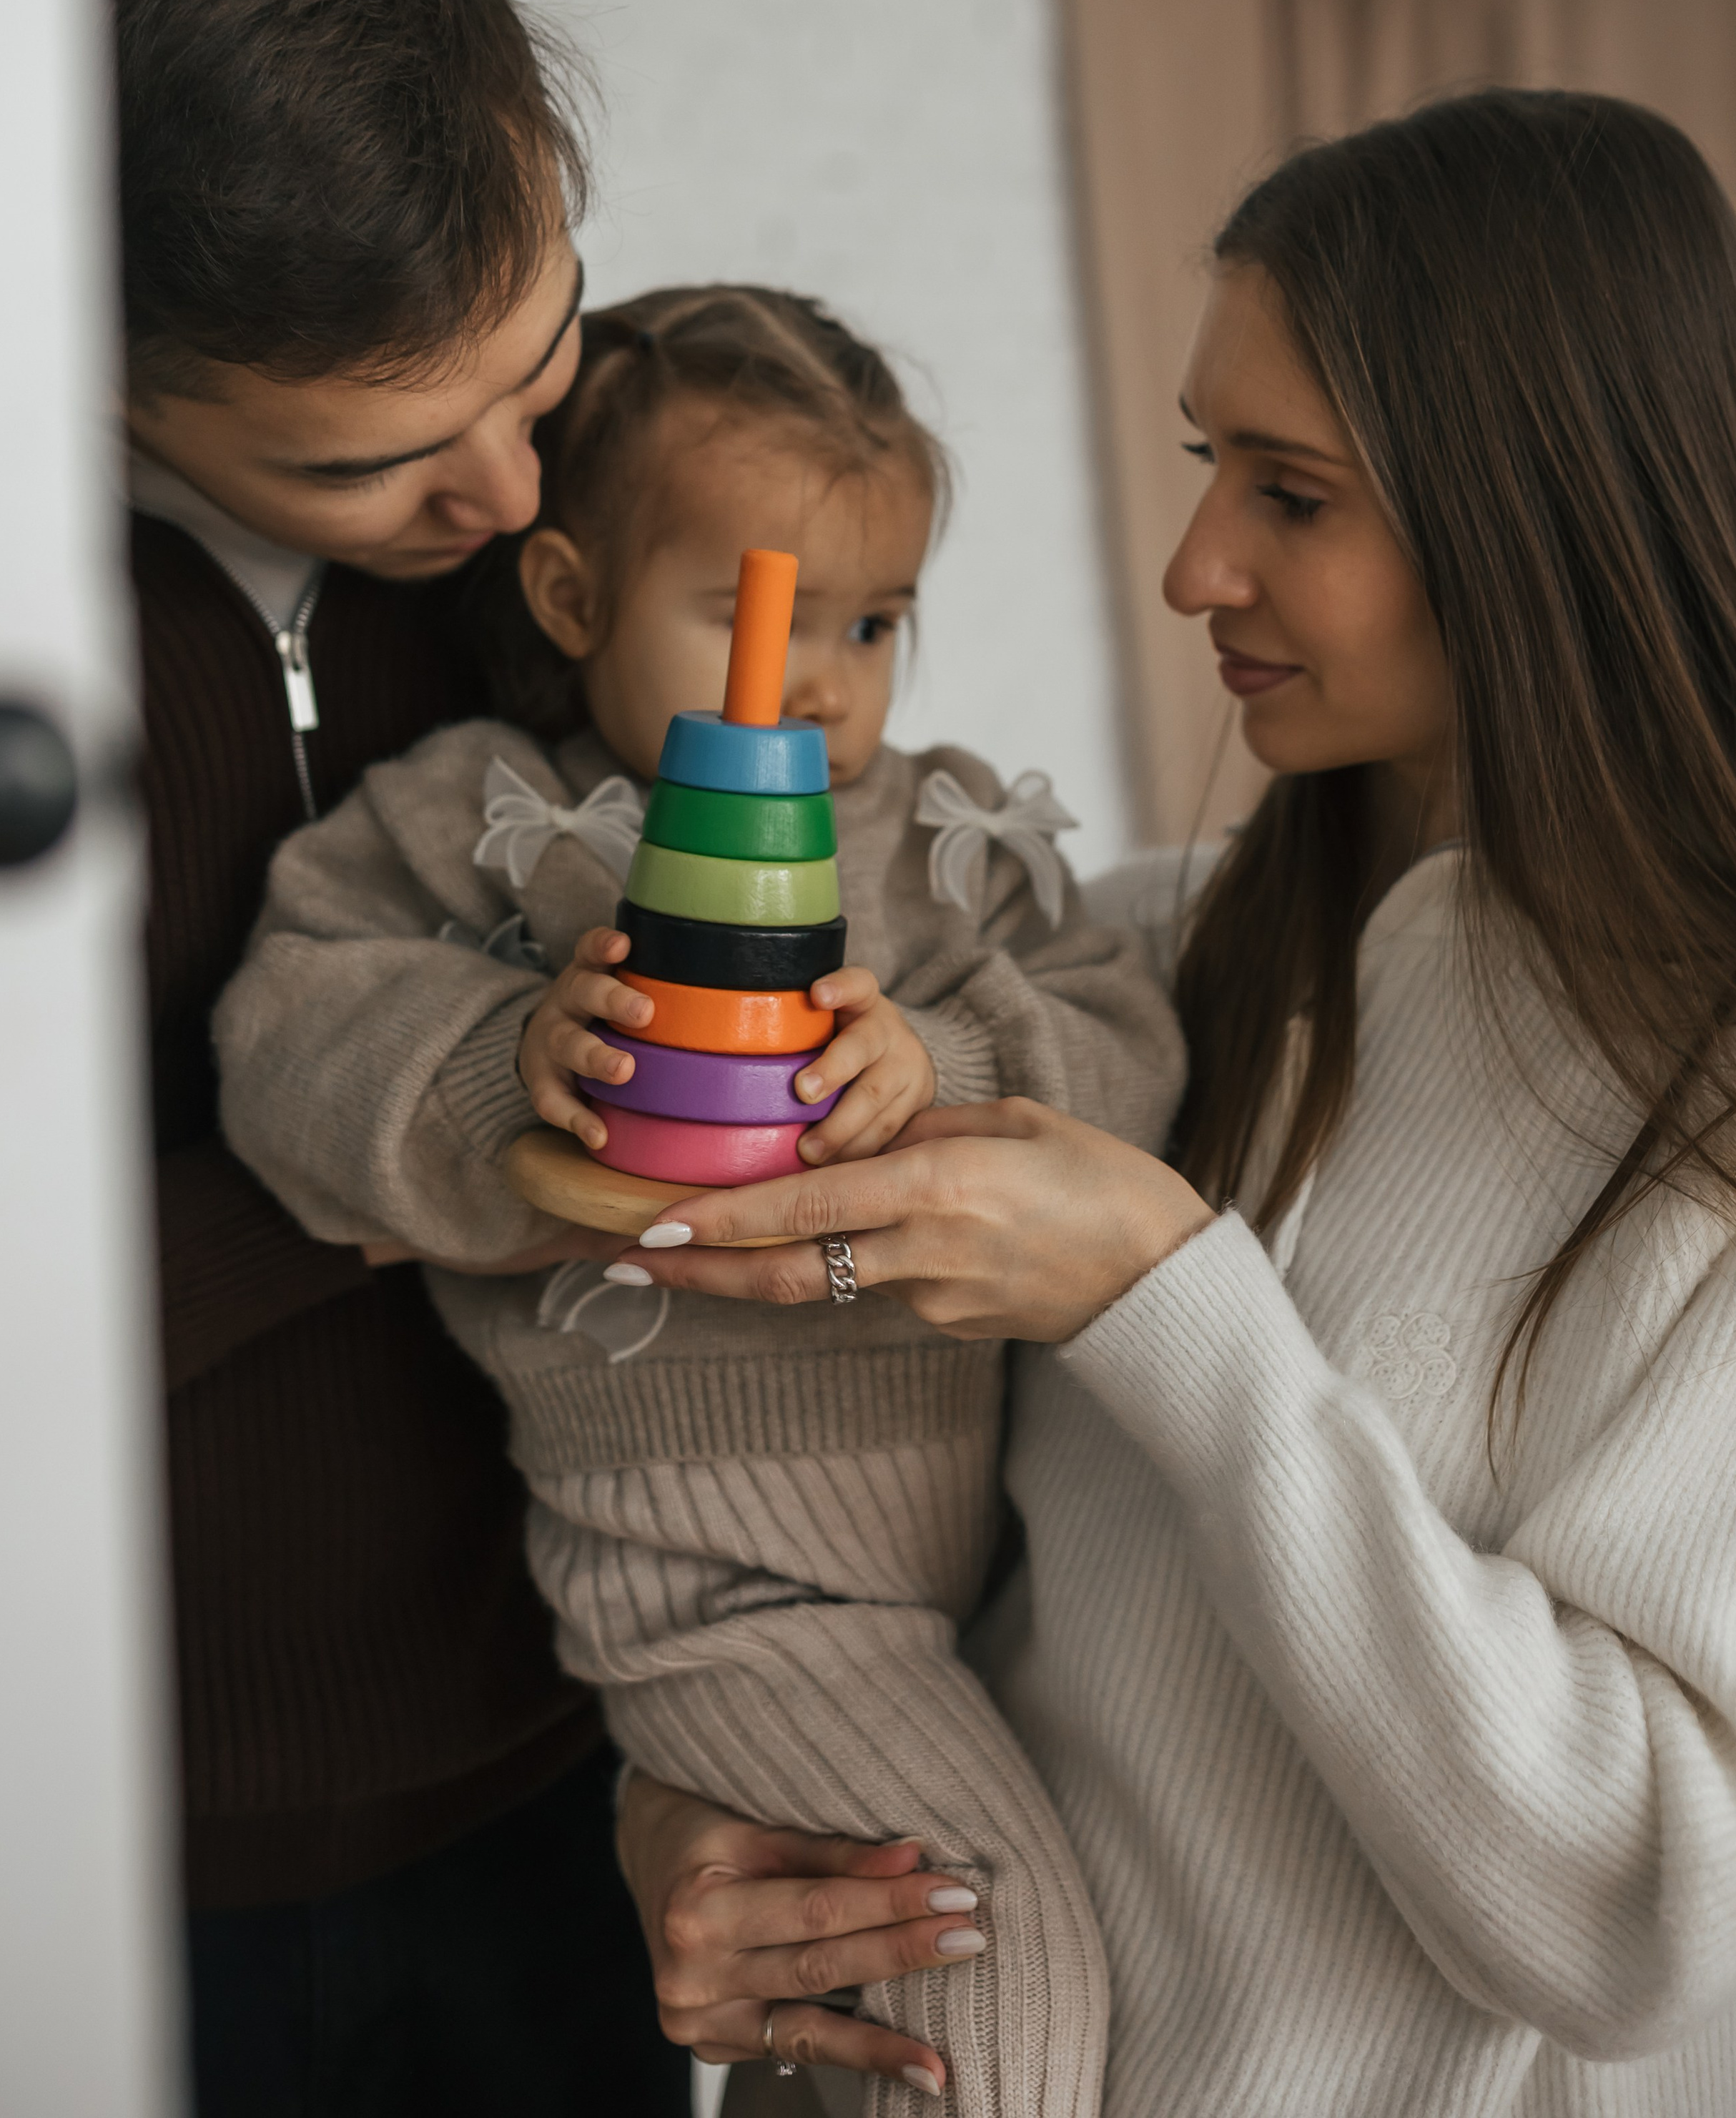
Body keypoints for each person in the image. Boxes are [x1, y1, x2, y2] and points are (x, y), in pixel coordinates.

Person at [597, 92, 1736, 2114]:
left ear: (1536, 510)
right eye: (1206, 463)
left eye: (1290, 494)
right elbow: (852, 1529)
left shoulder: (1724, 1113)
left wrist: (1175, 1305)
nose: (1189, 563)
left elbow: (1638, 1922)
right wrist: (688, 1820)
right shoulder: (1120, 969)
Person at [214, 283, 1187, 2113]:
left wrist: (950, 1077)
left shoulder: (939, 835)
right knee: (990, 1986)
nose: (817, 681)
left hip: (982, 1559)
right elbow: (292, 1031)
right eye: (751, 611)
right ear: (573, 600)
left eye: (872, 621)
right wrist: (512, 1051)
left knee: (846, 2040)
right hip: (712, 1580)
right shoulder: (478, 825)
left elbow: (1127, 1044)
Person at [110, 0, 688, 2114]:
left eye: (534, 369)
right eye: (377, 468)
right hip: (113, 1853)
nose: (518, 513)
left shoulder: (630, 477)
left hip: (586, 1767)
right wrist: (423, 1144)